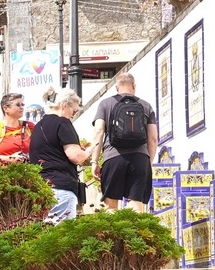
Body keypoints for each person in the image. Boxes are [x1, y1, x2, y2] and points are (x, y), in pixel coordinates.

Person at [90, 72, 159, 212]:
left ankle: (113, 226)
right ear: (134, 86)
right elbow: (153, 139)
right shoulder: (146, 106)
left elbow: (99, 132)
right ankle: (135, 226)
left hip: (113, 157)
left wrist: (94, 161)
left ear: (116, 87)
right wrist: (148, 162)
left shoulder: (105, 104)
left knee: (111, 206)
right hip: (139, 158)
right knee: (136, 205)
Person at [28, 92, 93, 222]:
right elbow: (76, 156)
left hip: (41, 188)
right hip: (61, 188)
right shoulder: (62, 123)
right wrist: (90, 150)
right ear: (64, 105)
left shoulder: (38, 126)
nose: (74, 114)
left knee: (45, 230)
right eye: (74, 110)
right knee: (62, 232)